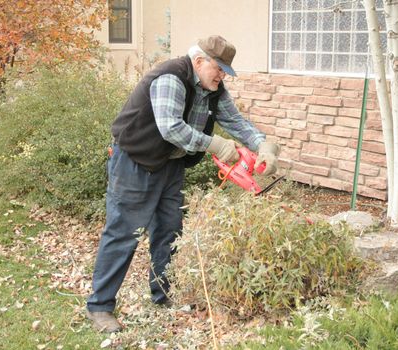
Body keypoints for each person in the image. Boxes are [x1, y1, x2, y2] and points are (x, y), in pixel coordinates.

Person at [86, 35, 280, 332]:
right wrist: (215, 144)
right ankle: (100, 307)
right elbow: (170, 128)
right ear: (199, 61)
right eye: (219, 69)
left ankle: (163, 296)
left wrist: (264, 146)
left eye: (226, 71)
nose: (222, 76)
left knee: (169, 230)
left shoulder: (214, 89)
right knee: (124, 232)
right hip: (135, 161)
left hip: (170, 165)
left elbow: (236, 123)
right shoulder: (171, 77)